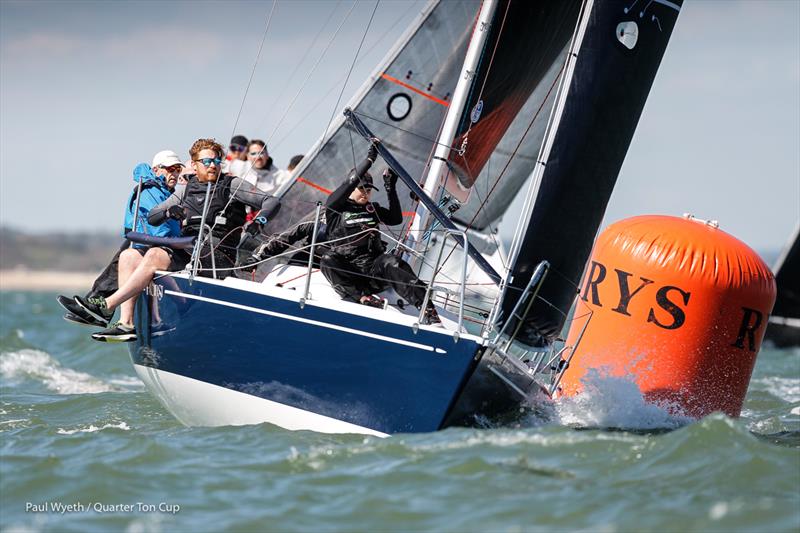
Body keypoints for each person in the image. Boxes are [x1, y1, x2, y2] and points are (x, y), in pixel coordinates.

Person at [70, 138, 281, 341]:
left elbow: (271, 201)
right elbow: (153, 216)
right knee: (128, 256)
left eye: (217, 161)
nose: (213, 166)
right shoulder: (186, 189)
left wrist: (260, 220)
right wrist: (170, 212)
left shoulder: (232, 184)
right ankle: (126, 324)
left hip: (216, 255)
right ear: (195, 165)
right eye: (207, 161)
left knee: (154, 254)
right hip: (187, 250)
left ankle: (107, 304)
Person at [58, 151, 184, 332]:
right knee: (126, 256)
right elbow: (158, 227)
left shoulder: (161, 189)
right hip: (152, 242)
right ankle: (102, 309)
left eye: (178, 169)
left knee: (124, 256)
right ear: (156, 170)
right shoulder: (151, 189)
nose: (175, 173)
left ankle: (97, 307)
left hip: (150, 242)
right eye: (170, 168)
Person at [320, 140, 440, 324]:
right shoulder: (335, 207)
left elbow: (395, 219)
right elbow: (348, 184)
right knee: (327, 260)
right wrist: (370, 159)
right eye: (361, 188)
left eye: (369, 189)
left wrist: (390, 188)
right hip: (349, 272)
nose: (366, 192)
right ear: (352, 189)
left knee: (391, 262)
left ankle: (427, 308)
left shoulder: (372, 209)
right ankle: (362, 299)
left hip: (373, 271)